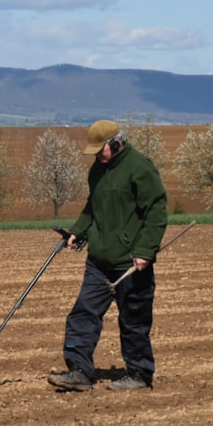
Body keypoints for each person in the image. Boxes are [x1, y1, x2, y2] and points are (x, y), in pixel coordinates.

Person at [48, 119, 167, 392]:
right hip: (98, 262)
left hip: (131, 264)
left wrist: (145, 251)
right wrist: (77, 231)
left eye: (100, 150)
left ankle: (139, 375)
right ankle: (79, 372)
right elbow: (93, 207)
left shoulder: (140, 168)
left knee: (134, 322)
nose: (97, 156)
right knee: (82, 314)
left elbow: (156, 212)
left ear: (116, 142)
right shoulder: (98, 171)